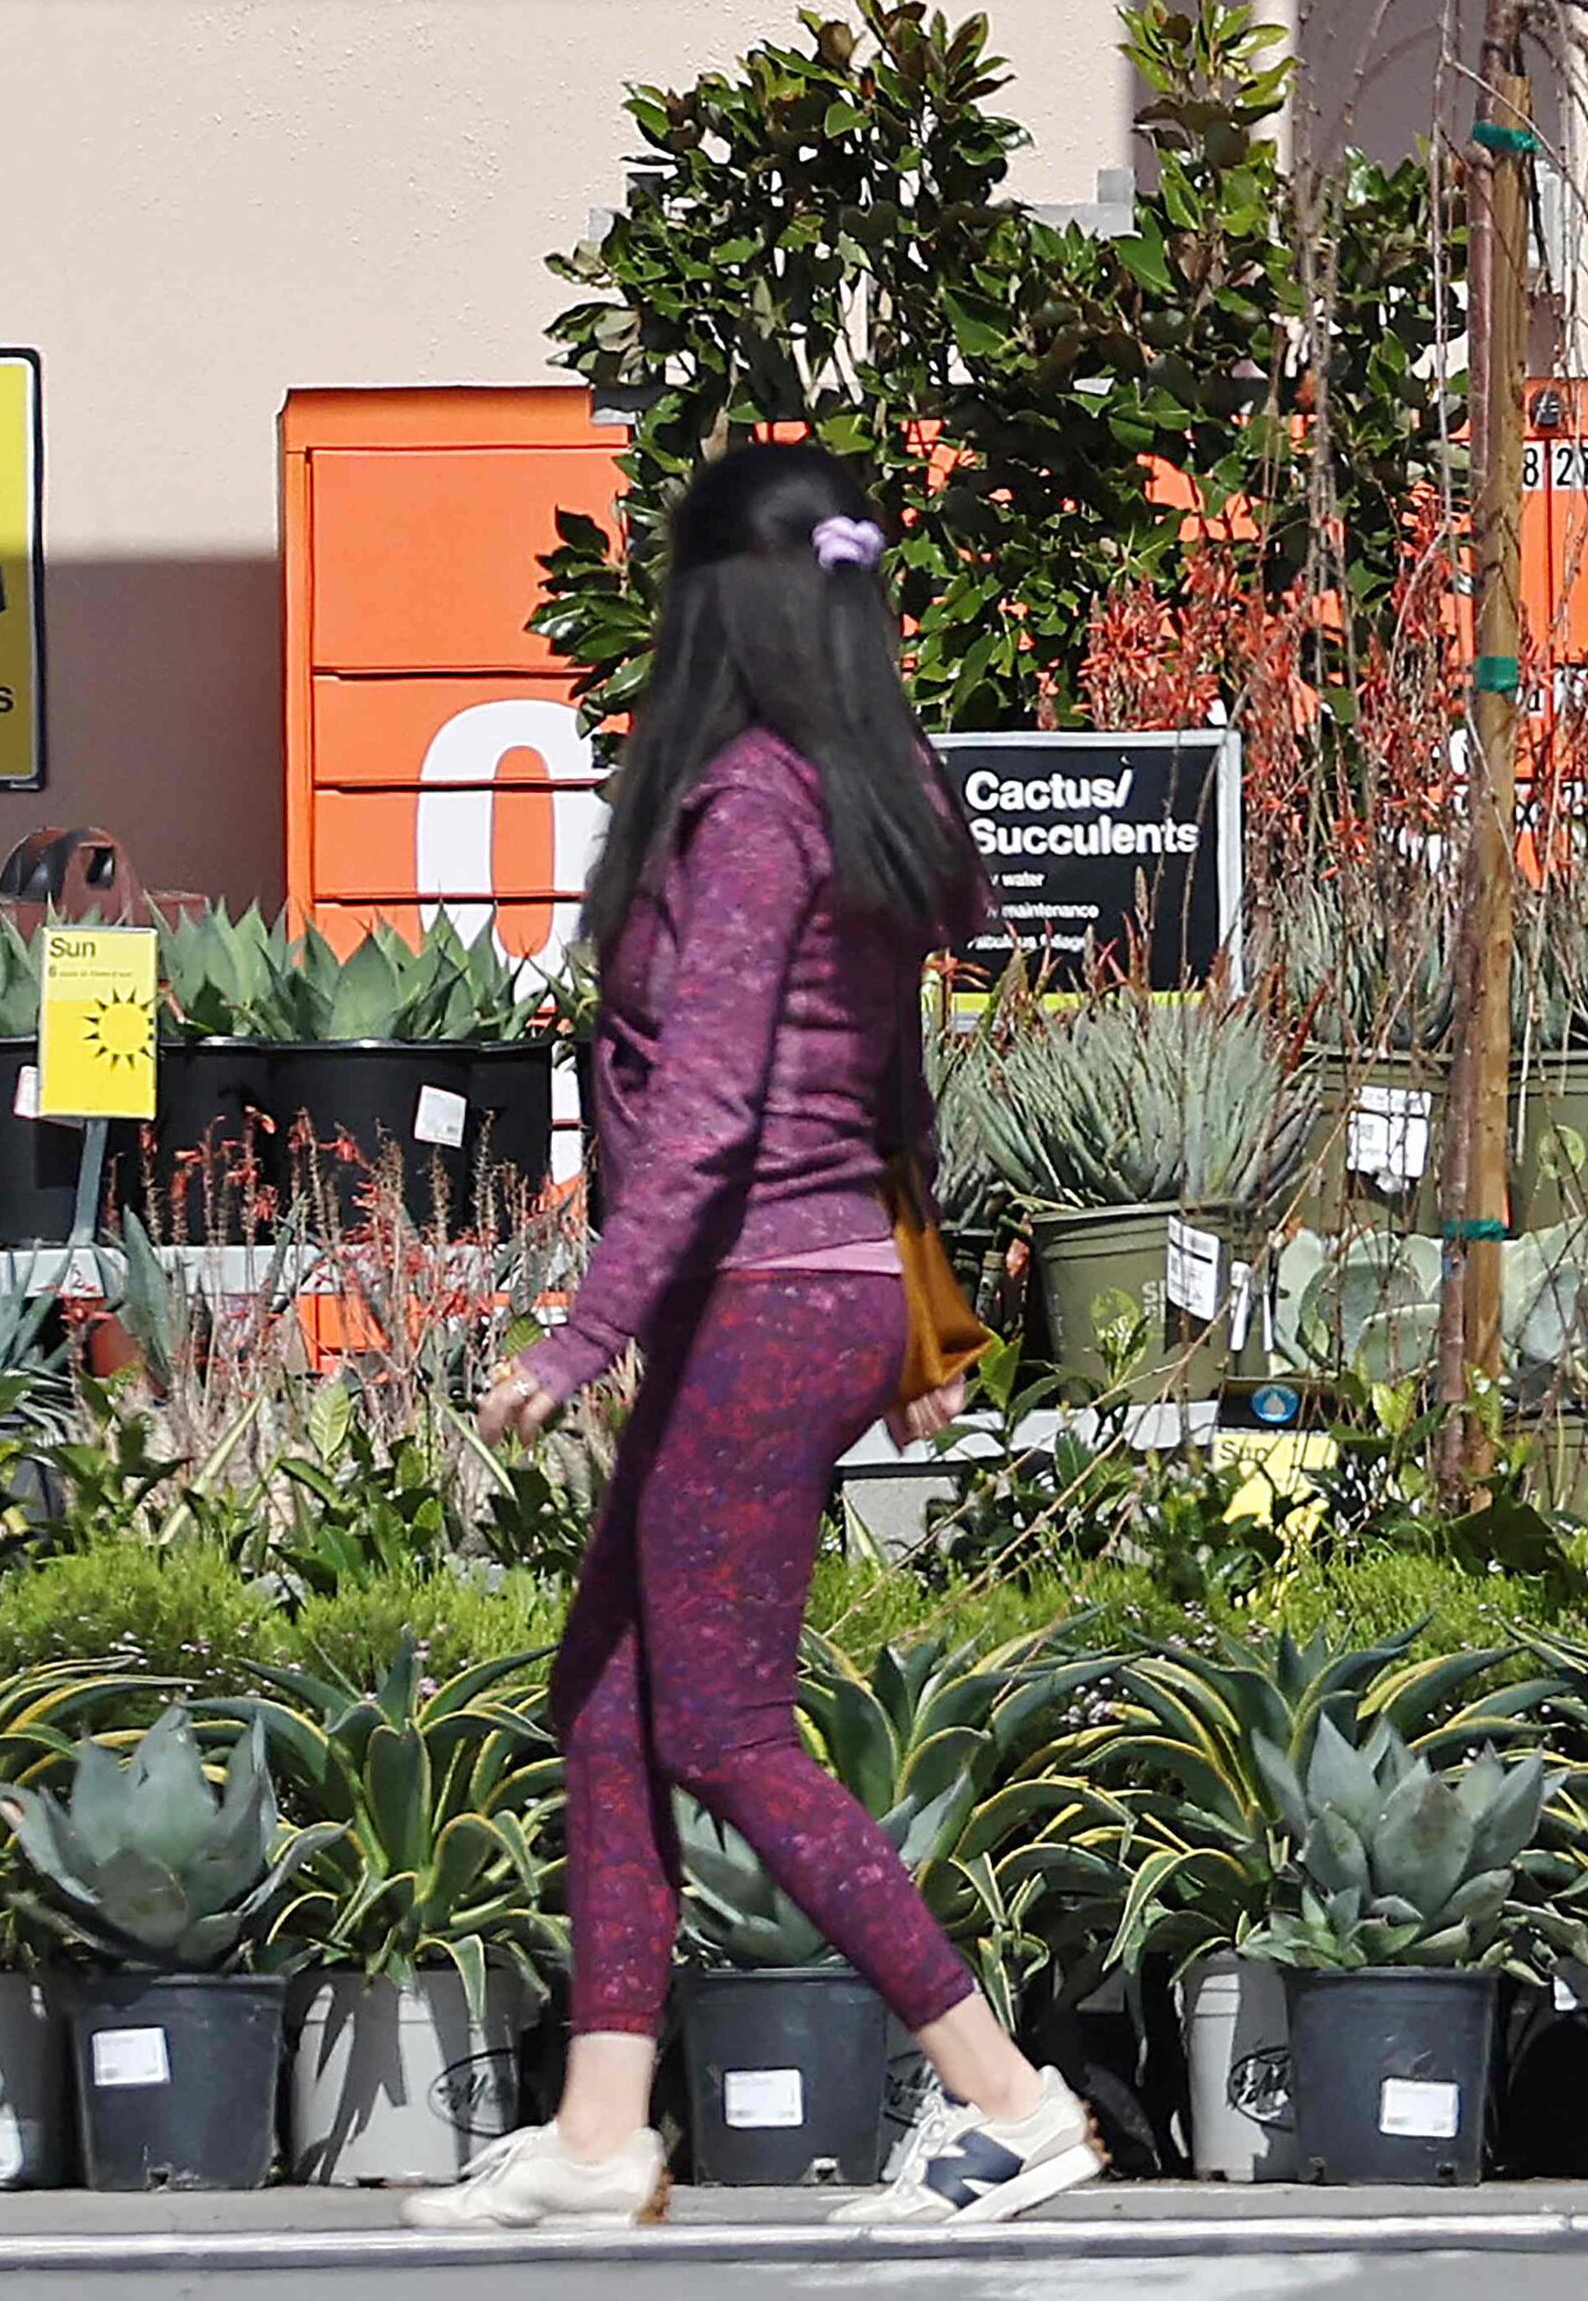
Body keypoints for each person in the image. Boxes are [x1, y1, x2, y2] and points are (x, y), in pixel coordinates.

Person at [412, 444, 1104, 2234]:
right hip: (829, 1285)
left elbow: (714, 1109)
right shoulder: (871, 788)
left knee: (722, 1725)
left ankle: (1007, 2099)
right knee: (610, 1695)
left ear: (716, 603)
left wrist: (580, 1339)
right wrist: (926, 1317)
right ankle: (599, 2134)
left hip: (760, 1293)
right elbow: (891, 1083)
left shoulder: (746, 808)